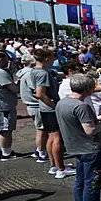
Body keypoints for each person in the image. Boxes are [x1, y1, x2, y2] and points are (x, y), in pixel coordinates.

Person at [55, 74, 101, 201]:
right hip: (90, 148)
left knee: (80, 182)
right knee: (91, 183)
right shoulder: (81, 106)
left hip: (75, 146)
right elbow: (90, 131)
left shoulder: (62, 103)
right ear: (87, 88)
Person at [33, 48, 74, 178]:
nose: (53, 60)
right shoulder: (43, 74)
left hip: (45, 109)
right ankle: (60, 168)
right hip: (50, 108)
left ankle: (54, 165)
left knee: (51, 137)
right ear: (46, 59)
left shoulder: (36, 71)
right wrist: (54, 106)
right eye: (52, 58)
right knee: (57, 138)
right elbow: (40, 93)